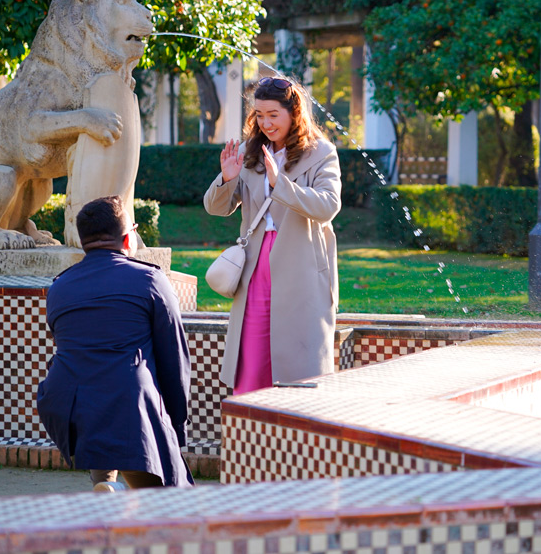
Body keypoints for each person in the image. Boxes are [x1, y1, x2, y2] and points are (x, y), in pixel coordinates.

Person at [35, 196, 194, 491]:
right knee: (169, 495)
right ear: (127, 237)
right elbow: (174, 360)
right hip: (129, 403)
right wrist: (175, 427)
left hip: (66, 403)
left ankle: (105, 486)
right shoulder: (149, 280)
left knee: (98, 385)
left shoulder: (58, 288)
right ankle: (123, 495)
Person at [203, 76, 341, 394]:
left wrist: (283, 186)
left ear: (294, 113)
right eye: (259, 115)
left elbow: (328, 206)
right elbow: (216, 208)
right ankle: (250, 433)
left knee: (298, 363)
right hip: (254, 266)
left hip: (302, 266)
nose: (265, 123)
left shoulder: (321, 153)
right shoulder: (251, 152)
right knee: (251, 356)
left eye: (273, 115)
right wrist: (226, 179)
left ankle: (297, 434)